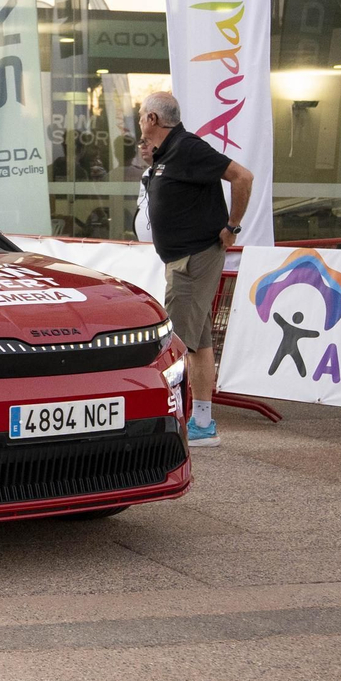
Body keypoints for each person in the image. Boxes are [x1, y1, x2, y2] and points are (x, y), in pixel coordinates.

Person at [139, 90, 254, 449]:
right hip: (182, 259)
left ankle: (169, 423)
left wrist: (232, 226)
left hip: (192, 259)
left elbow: (242, 177)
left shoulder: (187, 147)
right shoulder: (167, 153)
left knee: (174, 345)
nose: (140, 122)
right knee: (200, 342)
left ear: (153, 119)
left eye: (142, 116)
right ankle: (202, 421)